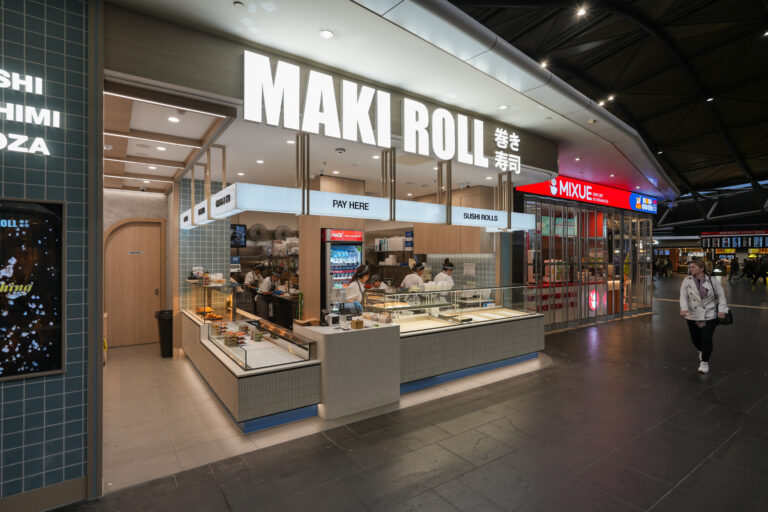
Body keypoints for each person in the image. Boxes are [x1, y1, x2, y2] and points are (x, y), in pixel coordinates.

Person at [679, 257, 728, 374]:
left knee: (706, 339)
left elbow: (721, 296)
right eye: (690, 267)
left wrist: (722, 310)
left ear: (701, 268)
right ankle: (701, 351)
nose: (691, 269)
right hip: (692, 314)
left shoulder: (712, 280)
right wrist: (684, 308)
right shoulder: (687, 280)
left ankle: (704, 362)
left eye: (693, 267)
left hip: (709, 314)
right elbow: (683, 296)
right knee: (695, 339)